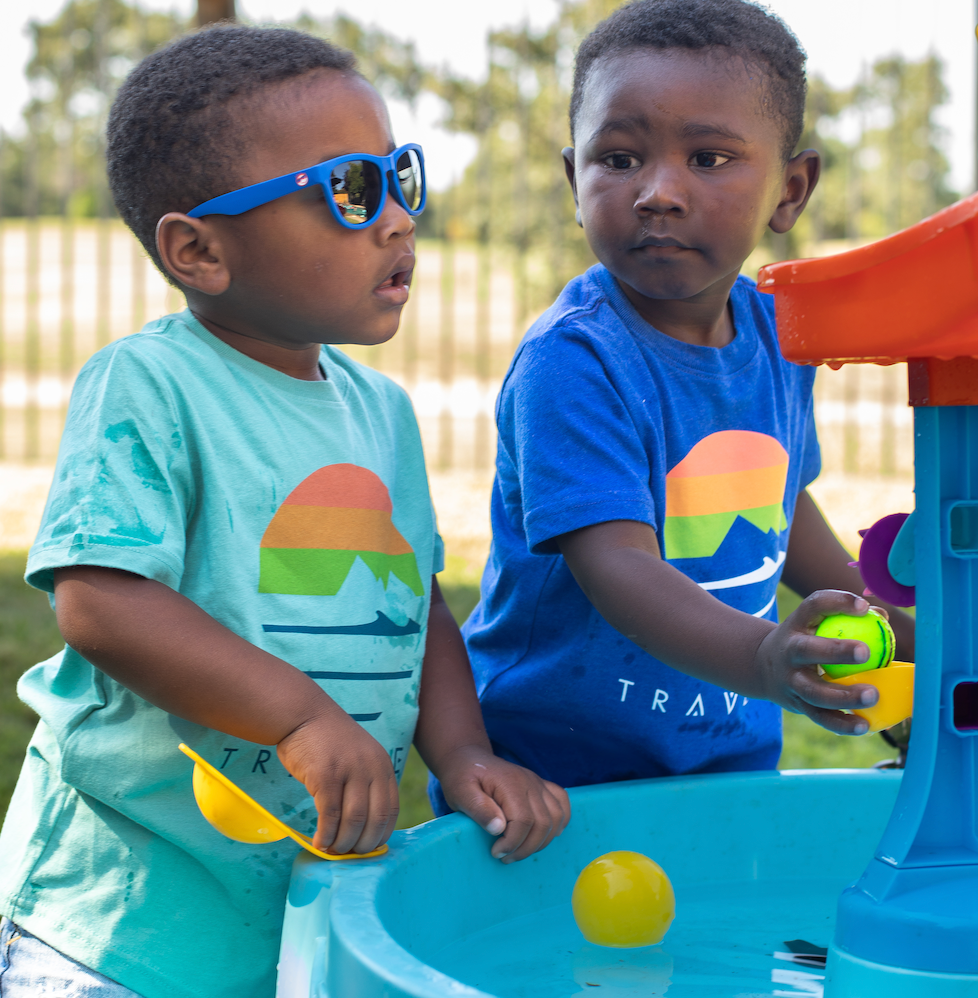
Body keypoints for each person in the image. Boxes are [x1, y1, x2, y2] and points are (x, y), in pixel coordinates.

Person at [0, 26, 569, 998]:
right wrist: (302, 714)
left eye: (400, 176)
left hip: (298, 901)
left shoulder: (381, 411)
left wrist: (464, 749)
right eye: (350, 191)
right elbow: (101, 599)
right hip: (126, 911)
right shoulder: (151, 383)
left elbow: (417, 605)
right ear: (199, 251)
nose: (397, 219)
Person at [430, 0, 914, 812]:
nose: (658, 191)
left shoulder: (774, 333)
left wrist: (901, 626)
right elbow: (618, 566)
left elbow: (776, 505)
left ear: (789, 190)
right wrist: (767, 659)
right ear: (573, 180)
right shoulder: (575, 360)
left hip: (722, 763)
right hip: (553, 784)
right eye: (618, 159)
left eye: (710, 157)